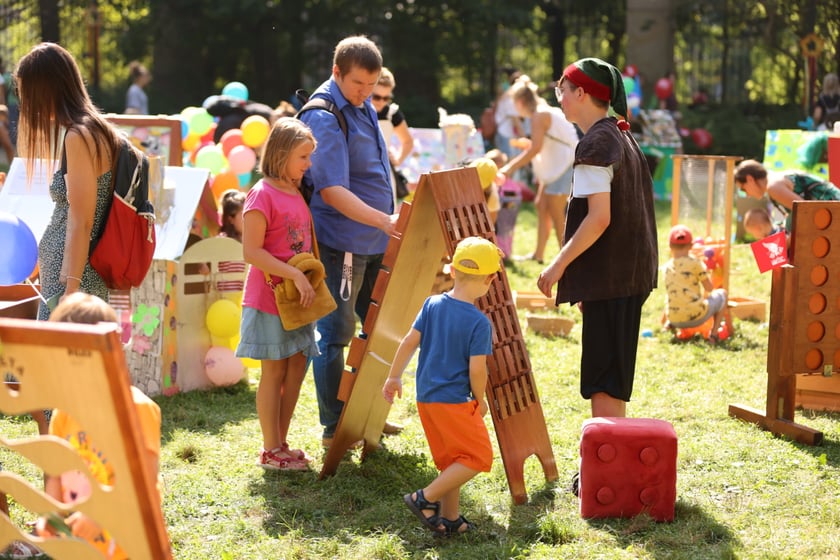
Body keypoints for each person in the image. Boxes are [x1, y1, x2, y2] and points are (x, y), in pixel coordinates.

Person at [538, 57, 658, 419]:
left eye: (563, 90)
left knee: (603, 380)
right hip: (626, 276)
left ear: (581, 92)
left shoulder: (597, 143)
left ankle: (602, 471)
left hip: (614, 278)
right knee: (611, 378)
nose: (560, 98)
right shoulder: (620, 135)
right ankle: (611, 466)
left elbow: (599, 219)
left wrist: (558, 266)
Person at [298, 35, 398, 448]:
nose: (365, 94)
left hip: (374, 238)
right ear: (336, 72)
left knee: (378, 330)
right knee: (336, 333)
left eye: (371, 87)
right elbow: (332, 190)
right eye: (358, 84)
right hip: (344, 242)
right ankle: (335, 425)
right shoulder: (323, 115)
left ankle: (368, 412)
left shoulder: (361, 103)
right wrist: (385, 220)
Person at [382, 236, 501, 537]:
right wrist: (480, 398)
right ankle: (424, 498)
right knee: (477, 457)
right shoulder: (478, 323)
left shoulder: (432, 303)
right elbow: (477, 369)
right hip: (455, 401)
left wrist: (394, 376)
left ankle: (450, 519)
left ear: (452, 271)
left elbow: (409, 341)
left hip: (427, 398)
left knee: (455, 459)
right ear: (489, 280)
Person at [34, 293, 161, 559]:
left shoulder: (137, 409)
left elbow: (144, 483)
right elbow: (57, 473)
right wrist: (52, 515)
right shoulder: (64, 414)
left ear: (110, 351)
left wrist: (104, 517)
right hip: (82, 540)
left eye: (76, 358)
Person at [235, 117, 320, 470]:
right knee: (274, 372)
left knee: (297, 367)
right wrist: (293, 276)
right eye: (303, 157)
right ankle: (270, 450)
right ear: (282, 154)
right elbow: (252, 252)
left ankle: (281, 444)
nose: (308, 164)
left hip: (298, 300)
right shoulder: (261, 193)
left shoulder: (295, 190)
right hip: (270, 298)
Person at [15, 43, 122, 320]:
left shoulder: (79, 135)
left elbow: (81, 220)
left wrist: (70, 290)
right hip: (70, 275)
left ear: (46, 88)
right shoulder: (95, 130)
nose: (26, 104)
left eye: (28, 93)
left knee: (60, 357)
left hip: (72, 278)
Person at [499, 75, 578, 265]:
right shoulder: (542, 112)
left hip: (565, 165)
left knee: (556, 212)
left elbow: (536, 148)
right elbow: (539, 144)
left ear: (520, 102)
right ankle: (539, 255)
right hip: (558, 165)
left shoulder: (539, 116)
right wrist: (527, 145)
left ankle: (566, 260)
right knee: (541, 205)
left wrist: (508, 168)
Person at [662, 225, 728, 344]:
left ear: (670, 246)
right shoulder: (695, 263)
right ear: (691, 246)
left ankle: (668, 325)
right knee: (723, 294)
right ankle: (713, 335)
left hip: (674, 318)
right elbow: (709, 288)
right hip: (697, 318)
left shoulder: (666, 267)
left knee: (675, 292)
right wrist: (706, 271)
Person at [734, 159, 840, 231]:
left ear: (750, 179)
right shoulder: (773, 185)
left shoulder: (773, 187)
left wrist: (788, 241)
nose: (747, 195)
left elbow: (806, 212)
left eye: (743, 189)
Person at [371, 67, 414, 203]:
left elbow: (408, 141)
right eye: (376, 96)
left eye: (386, 98)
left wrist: (398, 160)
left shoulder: (391, 114)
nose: (381, 102)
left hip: (385, 170)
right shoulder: (358, 109)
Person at [216, 189, 246, 293]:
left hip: (244, 297)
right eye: (243, 215)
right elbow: (207, 259)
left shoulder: (252, 241)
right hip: (225, 297)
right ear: (231, 219)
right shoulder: (222, 241)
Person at [1, 56, 20, 147]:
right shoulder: (12, 77)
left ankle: (13, 142)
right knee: (15, 122)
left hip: (10, 103)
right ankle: (15, 142)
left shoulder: (4, 77)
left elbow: (3, 93)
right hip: (17, 102)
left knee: (11, 122)